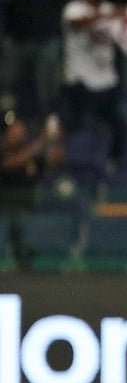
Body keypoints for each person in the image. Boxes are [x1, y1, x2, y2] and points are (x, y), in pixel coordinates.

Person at [60, 0, 127, 157]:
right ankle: (73, 166)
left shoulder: (109, 9)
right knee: (77, 127)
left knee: (118, 126)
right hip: (79, 80)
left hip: (106, 80)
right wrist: (109, 15)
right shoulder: (74, 8)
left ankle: (112, 167)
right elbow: (76, 22)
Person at [0, 111, 64, 270]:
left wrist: (56, 140)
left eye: (20, 131)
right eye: (14, 131)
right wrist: (40, 143)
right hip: (7, 207)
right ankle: (19, 257)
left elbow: (54, 159)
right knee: (17, 221)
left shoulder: (32, 154)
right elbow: (10, 164)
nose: (18, 135)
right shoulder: (5, 152)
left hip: (31, 207)